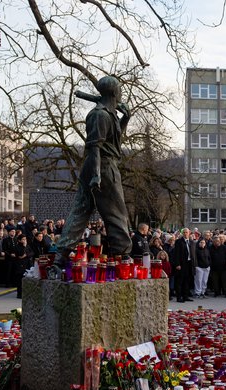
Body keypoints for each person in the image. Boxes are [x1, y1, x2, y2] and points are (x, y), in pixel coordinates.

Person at [56, 76, 133, 264]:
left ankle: (61, 254)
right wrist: (97, 175)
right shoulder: (100, 115)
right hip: (103, 166)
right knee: (116, 211)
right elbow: (95, 147)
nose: (122, 93)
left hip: (100, 165)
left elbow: (114, 140)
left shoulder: (109, 114)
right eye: (120, 89)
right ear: (115, 92)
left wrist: (126, 118)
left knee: (82, 209)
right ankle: (122, 254)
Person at [171, 228, 194, 303]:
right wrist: (177, 264)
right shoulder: (178, 241)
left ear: (189, 233)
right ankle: (179, 297)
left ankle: (185, 296)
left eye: (186, 232)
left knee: (187, 281)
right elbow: (176, 254)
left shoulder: (191, 241)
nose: (185, 234)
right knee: (179, 281)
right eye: (184, 232)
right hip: (181, 264)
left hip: (189, 263)